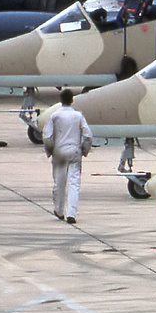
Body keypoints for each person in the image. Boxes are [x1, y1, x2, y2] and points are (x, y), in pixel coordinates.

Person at [43, 89, 93, 224]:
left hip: (59, 152)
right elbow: (88, 135)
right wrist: (84, 150)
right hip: (74, 151)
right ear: (72, 100)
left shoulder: (55, 116)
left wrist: (50, 151)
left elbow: (47, 137)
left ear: (60, 100)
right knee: (74, 183)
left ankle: (59, 211)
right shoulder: (78, 116)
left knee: (59, 183)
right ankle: (71, 214)